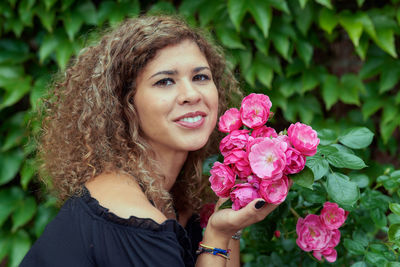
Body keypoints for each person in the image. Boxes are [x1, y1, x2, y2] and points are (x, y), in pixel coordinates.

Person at [21, 15, 278, 267]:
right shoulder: (130, 219)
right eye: (165, 81)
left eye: (200, 77)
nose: (191, 94)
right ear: (124, 103)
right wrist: (218, 235)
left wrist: (226, 229)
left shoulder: (179, 195)